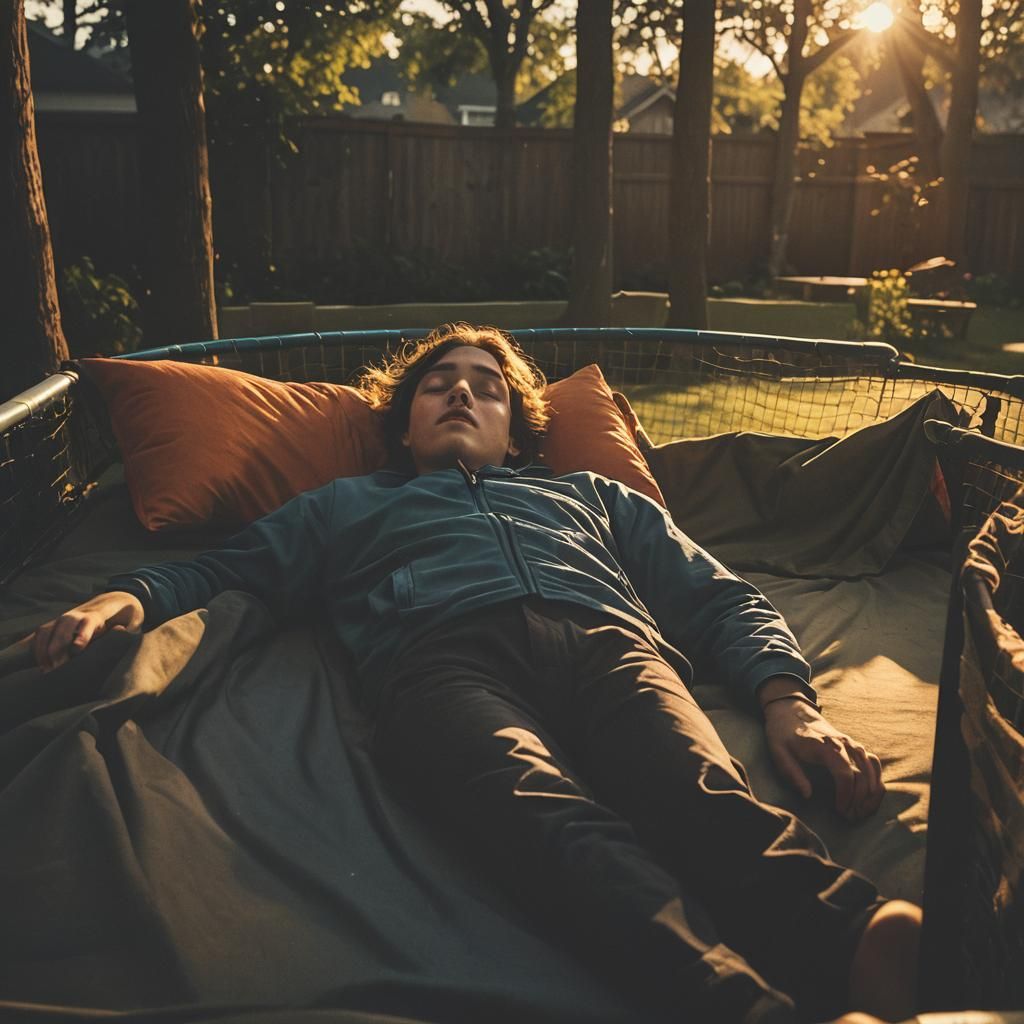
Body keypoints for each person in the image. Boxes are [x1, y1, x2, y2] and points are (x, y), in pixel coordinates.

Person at [31, 324, 921, 1024]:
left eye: (488, 387)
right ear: (404, 420)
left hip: (609, 642)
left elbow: (716, 592)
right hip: (438, 660)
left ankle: (858, 938)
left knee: (696, 788)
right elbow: (230, 567)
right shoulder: (345, 505)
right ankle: (744, 1011)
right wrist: (133, 597)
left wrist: (787, 701)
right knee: (546, 823)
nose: (462, 391)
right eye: (438, 383)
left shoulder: (589, 496)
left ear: (518, 426)